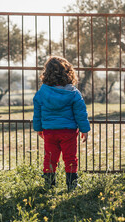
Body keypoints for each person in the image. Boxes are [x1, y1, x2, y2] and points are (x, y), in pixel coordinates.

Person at [33, 56, 90, 191]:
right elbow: (80, 113)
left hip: (49, 131)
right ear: (68, 72)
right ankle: (71, 185)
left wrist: (38, 129)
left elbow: (38, 113)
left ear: (46, 73)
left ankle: (49, 184)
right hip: (68, 132)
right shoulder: (73, 93)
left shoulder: (42, 92)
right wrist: (85, 129)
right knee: (70, 158)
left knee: (50, 157)